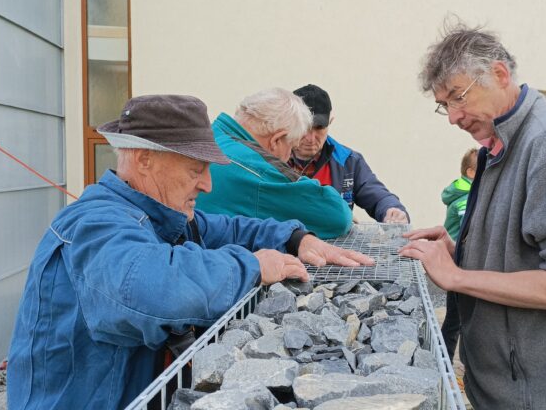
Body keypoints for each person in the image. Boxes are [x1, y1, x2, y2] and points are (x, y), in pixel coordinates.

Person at [7, 95, 373, 409]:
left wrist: (295, 237)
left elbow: (227, 227)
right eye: (196, 169)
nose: (208, 184)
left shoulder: (158, 213)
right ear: (144, 159)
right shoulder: (94, 224)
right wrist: (253, 266)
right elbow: (152, 287)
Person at [400, 25, 546, 409]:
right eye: (444, 104)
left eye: (458, 97)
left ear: (500, 74)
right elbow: (518, 247)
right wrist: (457, 247)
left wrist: (456, 276)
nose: (453, 117)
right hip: (516, 390)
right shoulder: (501, 143)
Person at [195, 88, 353, 239]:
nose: (288, 158)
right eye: (291, 148)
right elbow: (337, 215)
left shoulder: (213, 136)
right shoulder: (256, 170)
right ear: (277, 140)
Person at [288, 84, 409, 224]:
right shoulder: (270, 158)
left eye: (319, 128)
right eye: (305, 127)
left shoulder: (349, 161)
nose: (311, 138)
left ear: (330, 122)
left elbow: (378, 196)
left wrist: (392, 210)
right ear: (290, 123)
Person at [439, 147, 477, 364]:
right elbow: (471, 228)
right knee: (457, 319)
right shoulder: (464, 198)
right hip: (459, 263)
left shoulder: (465, 191)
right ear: (471, 173)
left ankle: (451, 366)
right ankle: (445, 366)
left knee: (460, 319)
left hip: (462, 263)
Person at [442, 148, 478, 240]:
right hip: (456, 250)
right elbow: (469, 230)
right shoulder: (465, 199)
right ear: (471, 172)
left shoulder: (463, 192)